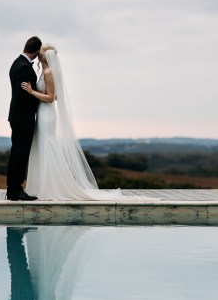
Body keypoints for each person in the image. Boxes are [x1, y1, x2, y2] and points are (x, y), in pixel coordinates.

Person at [21, 44, 158, 201]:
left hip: (46, 114)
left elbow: (51, 98)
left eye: (40, 53)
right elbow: (56, 95)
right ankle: (43, 185)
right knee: (42, 146)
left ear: (44, 56)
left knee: (47, 146)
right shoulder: (46, 72)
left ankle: (50, 186)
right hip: (43, 113)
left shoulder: (48, 72)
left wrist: (32, 92)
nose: (37, 54)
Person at [6, 36, 42, 201]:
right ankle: (15, 189)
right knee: (20, 153)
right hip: (23, 117)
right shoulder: (24, 68)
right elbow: (24, 97)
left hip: (18, 115)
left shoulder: (16, 63)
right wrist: (41, 101)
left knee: (17, 152)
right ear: (37, 51)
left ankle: (13, 188)